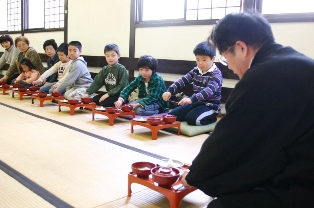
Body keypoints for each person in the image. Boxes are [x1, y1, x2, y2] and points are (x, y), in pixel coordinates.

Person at [181, 12, 314, 208]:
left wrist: (196, 175)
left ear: (241, 48)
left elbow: (229, 139)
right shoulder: (295, 62)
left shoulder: (261, 77)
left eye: (226, 59)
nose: (231, 69)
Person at [162, 41, 222, 126]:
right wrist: (170, 91)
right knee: (171, 116)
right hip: (195, 103)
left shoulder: (216, 74)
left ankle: (212, 118)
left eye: (204, 59)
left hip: (210, 106)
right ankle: (194, 113)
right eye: (198, 59)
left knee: (192, 120)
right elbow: (182, 80)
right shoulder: (195, 70)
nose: (200, 63)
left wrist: (191, 99)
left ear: (213, 58)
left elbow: (209, 91)